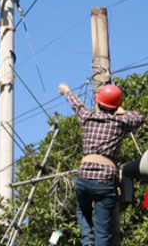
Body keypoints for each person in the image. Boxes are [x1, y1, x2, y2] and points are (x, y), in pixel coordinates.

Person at [58, 83, 145, 246]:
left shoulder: (87, 118)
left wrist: (67, 91)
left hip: (84, 177)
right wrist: (121, 111)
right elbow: (140, 118)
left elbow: (77, 105)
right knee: (103, 231)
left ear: (98, 103)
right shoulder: (121, 122)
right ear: (116, 107)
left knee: (82, 209)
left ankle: (87, 241)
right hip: (105, 181)